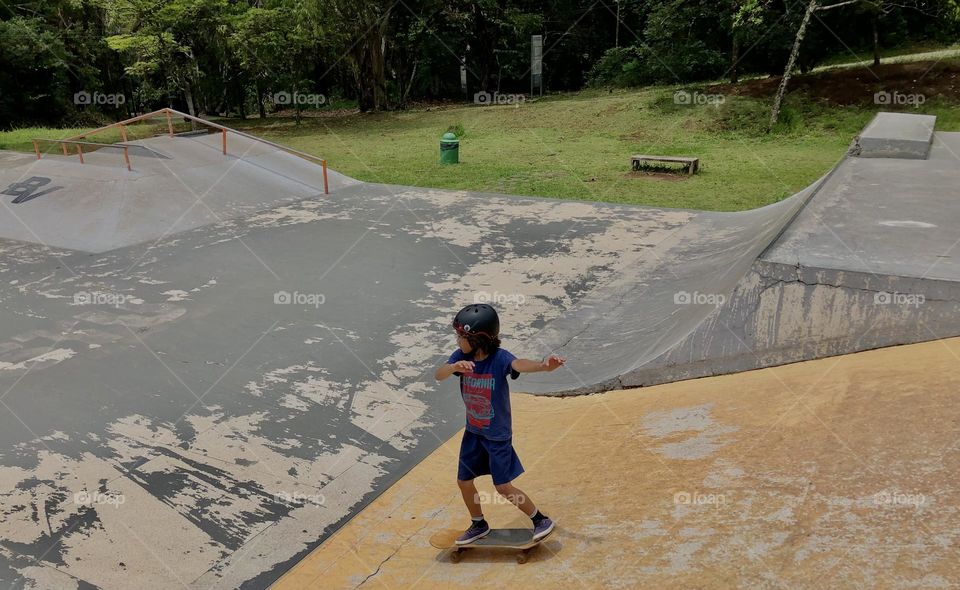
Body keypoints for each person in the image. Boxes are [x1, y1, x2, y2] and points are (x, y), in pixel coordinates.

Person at [434, 303, 566, 545]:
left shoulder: (500, 359)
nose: (457, 340)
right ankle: (478, 524)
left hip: (497, 436)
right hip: (473, 433)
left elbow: (519, 364)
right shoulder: (461, 358)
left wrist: (544, 367)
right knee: (464, 482)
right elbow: (439, 375)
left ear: (479, 339)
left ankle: (540, 520)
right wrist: (453, 367)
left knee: (503, 487)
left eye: (461, 336)